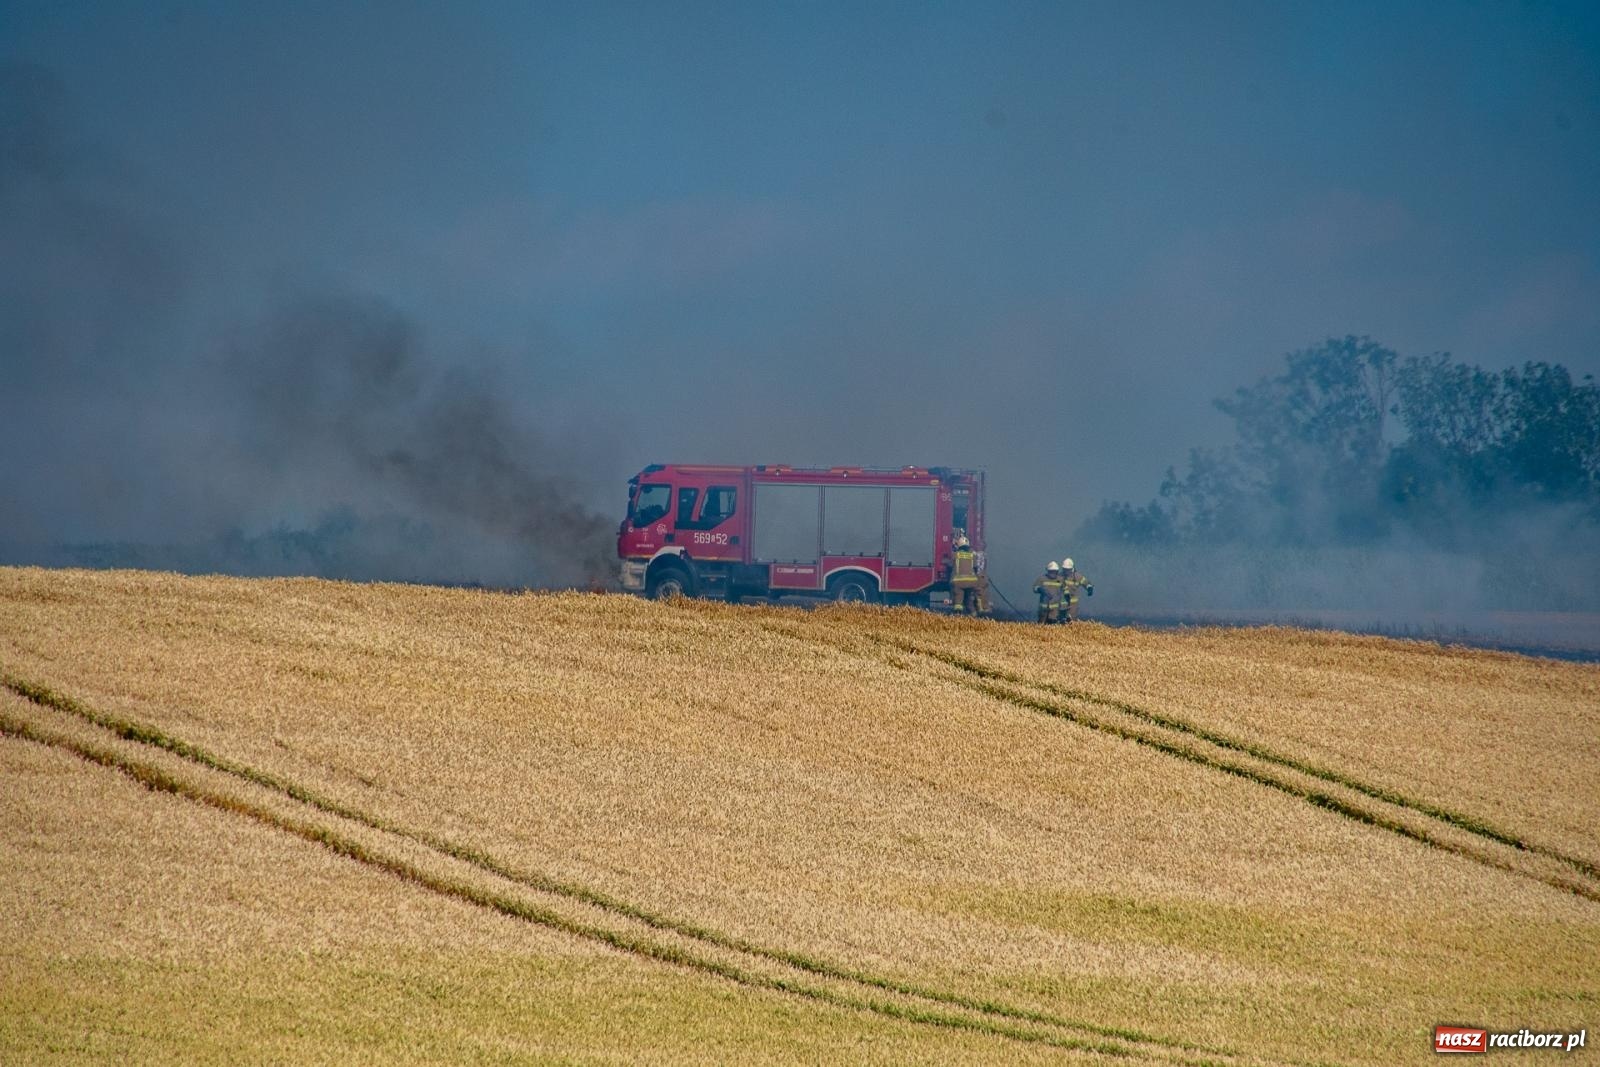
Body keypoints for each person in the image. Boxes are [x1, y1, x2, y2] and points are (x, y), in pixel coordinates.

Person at [950, 535, 986, 615]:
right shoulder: (972, 555)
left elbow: (950, 564)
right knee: (968, 599)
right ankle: (974, 615)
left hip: (959, 582)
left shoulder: (956, 555)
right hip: (972, 582)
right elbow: (976, 568)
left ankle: (958, 614)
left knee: (958, 599)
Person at [1059, 557, 1094, 622]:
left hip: (1073, 604)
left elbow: (1086, 583)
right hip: (1062, 604)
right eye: (1064, 569)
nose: (1066, 571)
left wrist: (1089, 588)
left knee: (1071, 621)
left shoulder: (1077, 576)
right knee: (1060, 621)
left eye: (1067, 569)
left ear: (1071, 568)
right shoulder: (1059, 576)